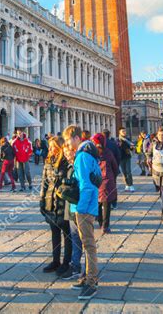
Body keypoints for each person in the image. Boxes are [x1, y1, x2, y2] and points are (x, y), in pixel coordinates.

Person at [63, 124, 101, 301]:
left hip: (84, 207)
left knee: (88, 245)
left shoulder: (82, 156)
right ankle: (86, 277)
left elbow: (86, 185)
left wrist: (80, 208)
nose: (67, 143)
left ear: (75, 137)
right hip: (87, 205)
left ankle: (92, 282)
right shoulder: (86, 153)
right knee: (87, 244)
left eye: (67, 140)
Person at [40, 136, 72, 276]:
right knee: (54, 233)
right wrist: (42, 200)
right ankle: (55, 260)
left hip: (63, 202)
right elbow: (44, 183)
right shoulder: (48, 162)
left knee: (67, 234)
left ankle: (67, 262)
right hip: (50, 202)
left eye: (54, 147)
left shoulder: (66, 162)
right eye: (50, 147)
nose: (51, 149)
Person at [59, 143, 84, 281]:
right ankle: (75, 264)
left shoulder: (77, 165)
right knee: (74, 237)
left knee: (79, 238)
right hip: (71, 205)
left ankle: (79, 267)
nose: (66, 154)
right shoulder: (70, 165)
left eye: (68, 151)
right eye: (65, 152)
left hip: (77, 206)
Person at [91, 133, 118, 233]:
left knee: (97, 202)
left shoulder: (92, 153)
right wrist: (113, 177)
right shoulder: (108, 152)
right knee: (106, 204)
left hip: (96, 181)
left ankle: (100, 223)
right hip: (107, 181)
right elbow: (115, 166)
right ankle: (105, 226)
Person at [117, 127, 135, 192]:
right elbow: (117, 148)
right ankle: (127, 185)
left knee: (128, 171)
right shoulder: (118, 140)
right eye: (122, 131)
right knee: (124, 172)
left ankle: (131, 185)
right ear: (119, 132)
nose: (124, 132)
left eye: (124, 131)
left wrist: (132, 147)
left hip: (127, 157)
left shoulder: (127, 139)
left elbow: (131, 148)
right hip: (121, 158)